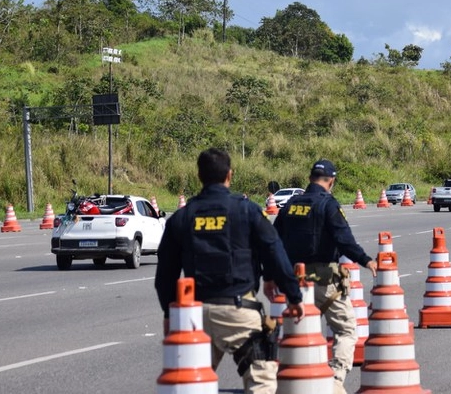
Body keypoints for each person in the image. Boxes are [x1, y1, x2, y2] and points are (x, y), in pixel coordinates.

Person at [155, 147, 304, 394]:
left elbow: (165, 275)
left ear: (199, 176)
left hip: (195, 315)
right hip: (238, 311)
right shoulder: (247, 211)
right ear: (230, 176)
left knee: (191, 385)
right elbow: (275, 252)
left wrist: (169, 313)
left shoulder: (182, 218)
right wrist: (294, 296)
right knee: (262, 383)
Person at [266, 158, 377, 394]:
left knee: (299, 331)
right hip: (324, 281)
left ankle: (292, 381)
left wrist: (270, 275)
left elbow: (273, 243)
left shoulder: (290, 205)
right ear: (332, 181)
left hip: (294, 281)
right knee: (346, 329)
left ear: (309, 178)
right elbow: (343, 239)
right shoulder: (328, 204)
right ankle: (335, 381)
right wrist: (365, 259)